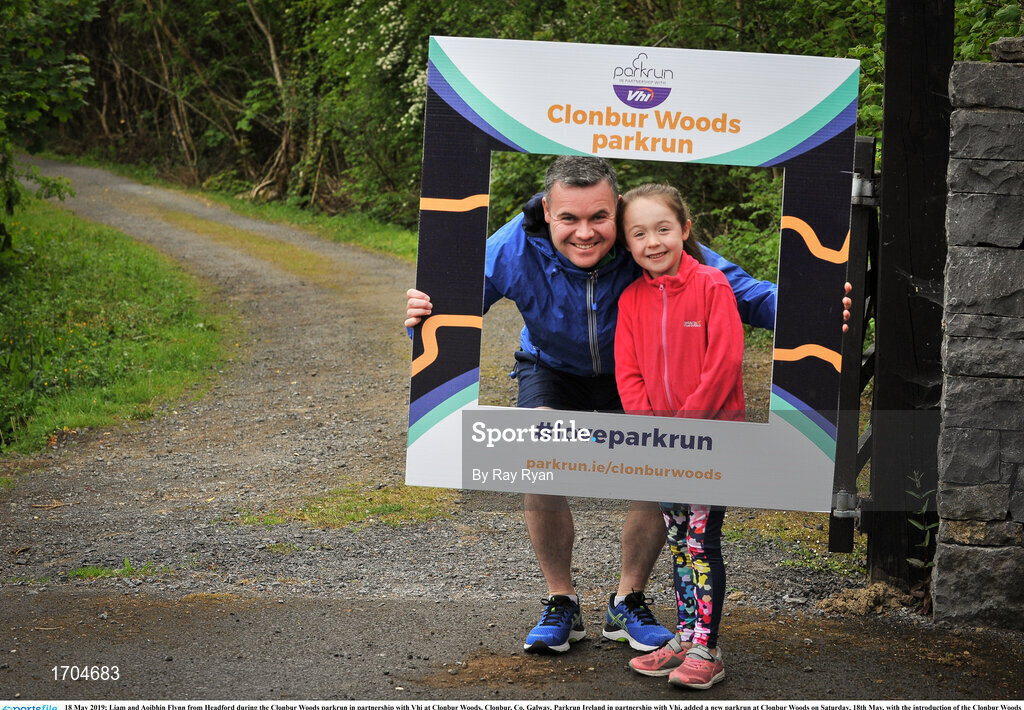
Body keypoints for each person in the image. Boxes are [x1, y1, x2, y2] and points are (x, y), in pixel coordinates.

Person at [405, 156, 776, 655]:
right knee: (538, 458)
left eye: (598, 217)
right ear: (546, 210)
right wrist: (422, 314)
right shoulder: (512, 246)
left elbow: (740, 291)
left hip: (635, 372)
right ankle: (561, 600)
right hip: (551, 366)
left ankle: (628, 601)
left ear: (617, 209)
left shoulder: (639, 230)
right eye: (569, 219)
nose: (585, 232)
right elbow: (450, 306)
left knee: (655, 458)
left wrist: (813, 310)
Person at [613, 183, 740, 689]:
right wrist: (654, 430)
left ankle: (708, 649)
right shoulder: (630, 299)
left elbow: (725, 363)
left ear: (684, 230)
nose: (653, 242)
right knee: (678, 542)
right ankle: (685, 638)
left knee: (702, 542)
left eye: (663, 229)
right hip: (659, 446)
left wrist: (685, 427)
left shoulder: (712, 285)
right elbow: (629, 374)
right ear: (627, 244)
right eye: (639, 233)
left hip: (710, 444)